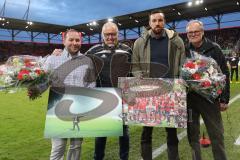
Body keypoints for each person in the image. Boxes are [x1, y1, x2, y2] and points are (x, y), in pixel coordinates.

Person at [132, 10, 185, 160]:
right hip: (149, 91)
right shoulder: (140, 42)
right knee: (146, 131)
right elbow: (135, 66)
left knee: (171, 131)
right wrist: (139, 77)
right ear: (149, 23)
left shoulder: (176, 40)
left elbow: (183, 64)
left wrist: (180, 83)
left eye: (160, 20)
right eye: (154, 21)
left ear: (164, 22)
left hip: (171, 91)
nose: (157, 23)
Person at [44, 29, 95, 160]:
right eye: (71, 39)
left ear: (81, 42)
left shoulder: (87, 61)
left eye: (77, 40)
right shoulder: (52, 59)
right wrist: (34, 88)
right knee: (58, 148)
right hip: (58, 109)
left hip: (79, 110)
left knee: (76, 146)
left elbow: (91, 84)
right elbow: (43, 81)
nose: (74, 43)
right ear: (64, 41)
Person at [86, 22, 132, 160]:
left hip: (123, 97)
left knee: (124, 133)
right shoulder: (93, 51)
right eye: (107, 34)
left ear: (118, 34)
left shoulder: (127, 50)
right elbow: (79, 63)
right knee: (101, 134)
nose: (110, 37)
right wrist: (58, 53)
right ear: (102, 36)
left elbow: (135, 72)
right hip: (103, 97)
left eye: (113, 34)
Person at [185, 20, 230, 160]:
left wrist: (224, 99)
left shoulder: (214, 48)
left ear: (202, 32)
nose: (193, 34)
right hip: (190, 100)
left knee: (216, 135)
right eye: (190, 32)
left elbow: (225, 74)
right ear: (187, 34)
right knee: (193, 136)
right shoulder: (184, 50)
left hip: (210, 100)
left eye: (196, 31)